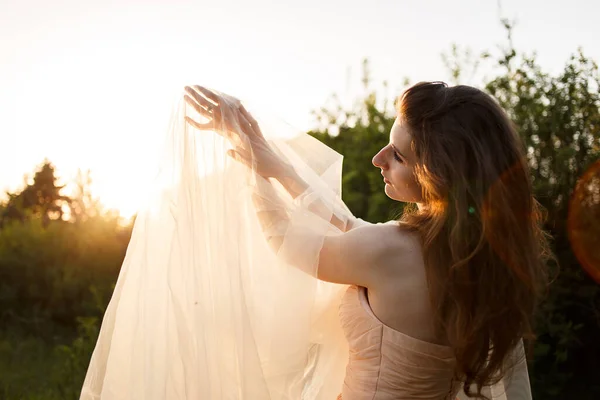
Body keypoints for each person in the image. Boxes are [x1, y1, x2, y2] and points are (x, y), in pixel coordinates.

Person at [81, 82, 550, 400]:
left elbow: (286, 238)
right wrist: (271, 161)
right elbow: (349, 224)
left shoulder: (392, 251)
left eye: (399, 155)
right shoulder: (474, 255)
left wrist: (249, 167)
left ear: (440, 174)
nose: (378, 157)